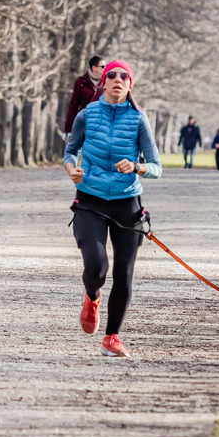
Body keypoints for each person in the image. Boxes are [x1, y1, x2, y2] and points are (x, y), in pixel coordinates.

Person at [64, 60, 162, 359]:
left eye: (125, 76)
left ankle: (111, 337)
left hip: (126, 204)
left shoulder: (138, 119)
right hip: (90, 200)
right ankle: (92, 297)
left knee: (124, 273)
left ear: (130, 85)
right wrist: (71, 169)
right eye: (112, 75)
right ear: (103, 82)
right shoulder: (87, 115)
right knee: (96, 268)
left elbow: (157, 167)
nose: (118, 79)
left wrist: (138, 166)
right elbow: (70, 151)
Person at [63, 56, 106, 136]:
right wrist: (68, 130)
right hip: (83, 124)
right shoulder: (81, 82)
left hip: (100, 126)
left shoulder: (106, 82)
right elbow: (73, 106)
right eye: (103, 66)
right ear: (94, 68)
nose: (105, 68)